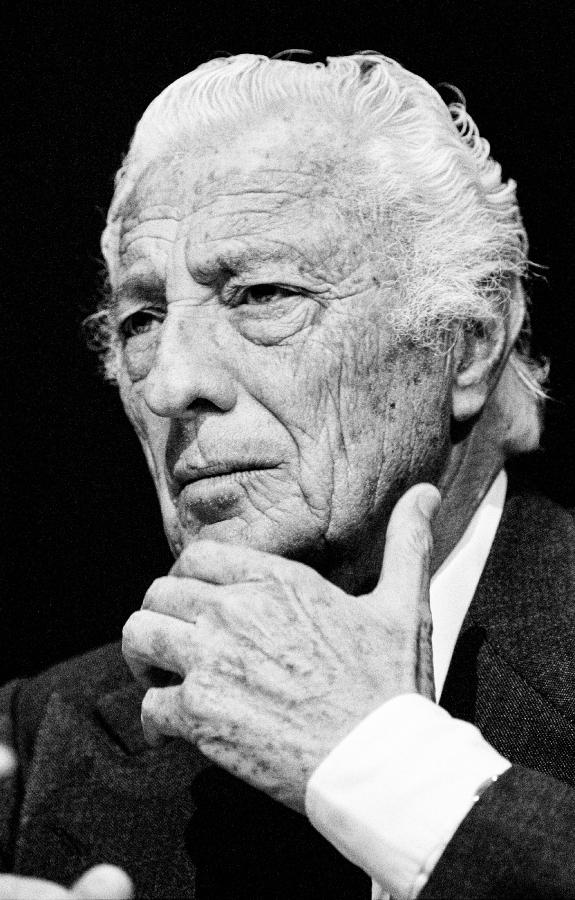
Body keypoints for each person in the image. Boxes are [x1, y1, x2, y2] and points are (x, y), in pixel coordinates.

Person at [1, 52, 574, 899]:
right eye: (142, 319)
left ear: (467, 343)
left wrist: (382, 765)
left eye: (262, 294)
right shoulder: (41, 737)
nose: (170, 384)